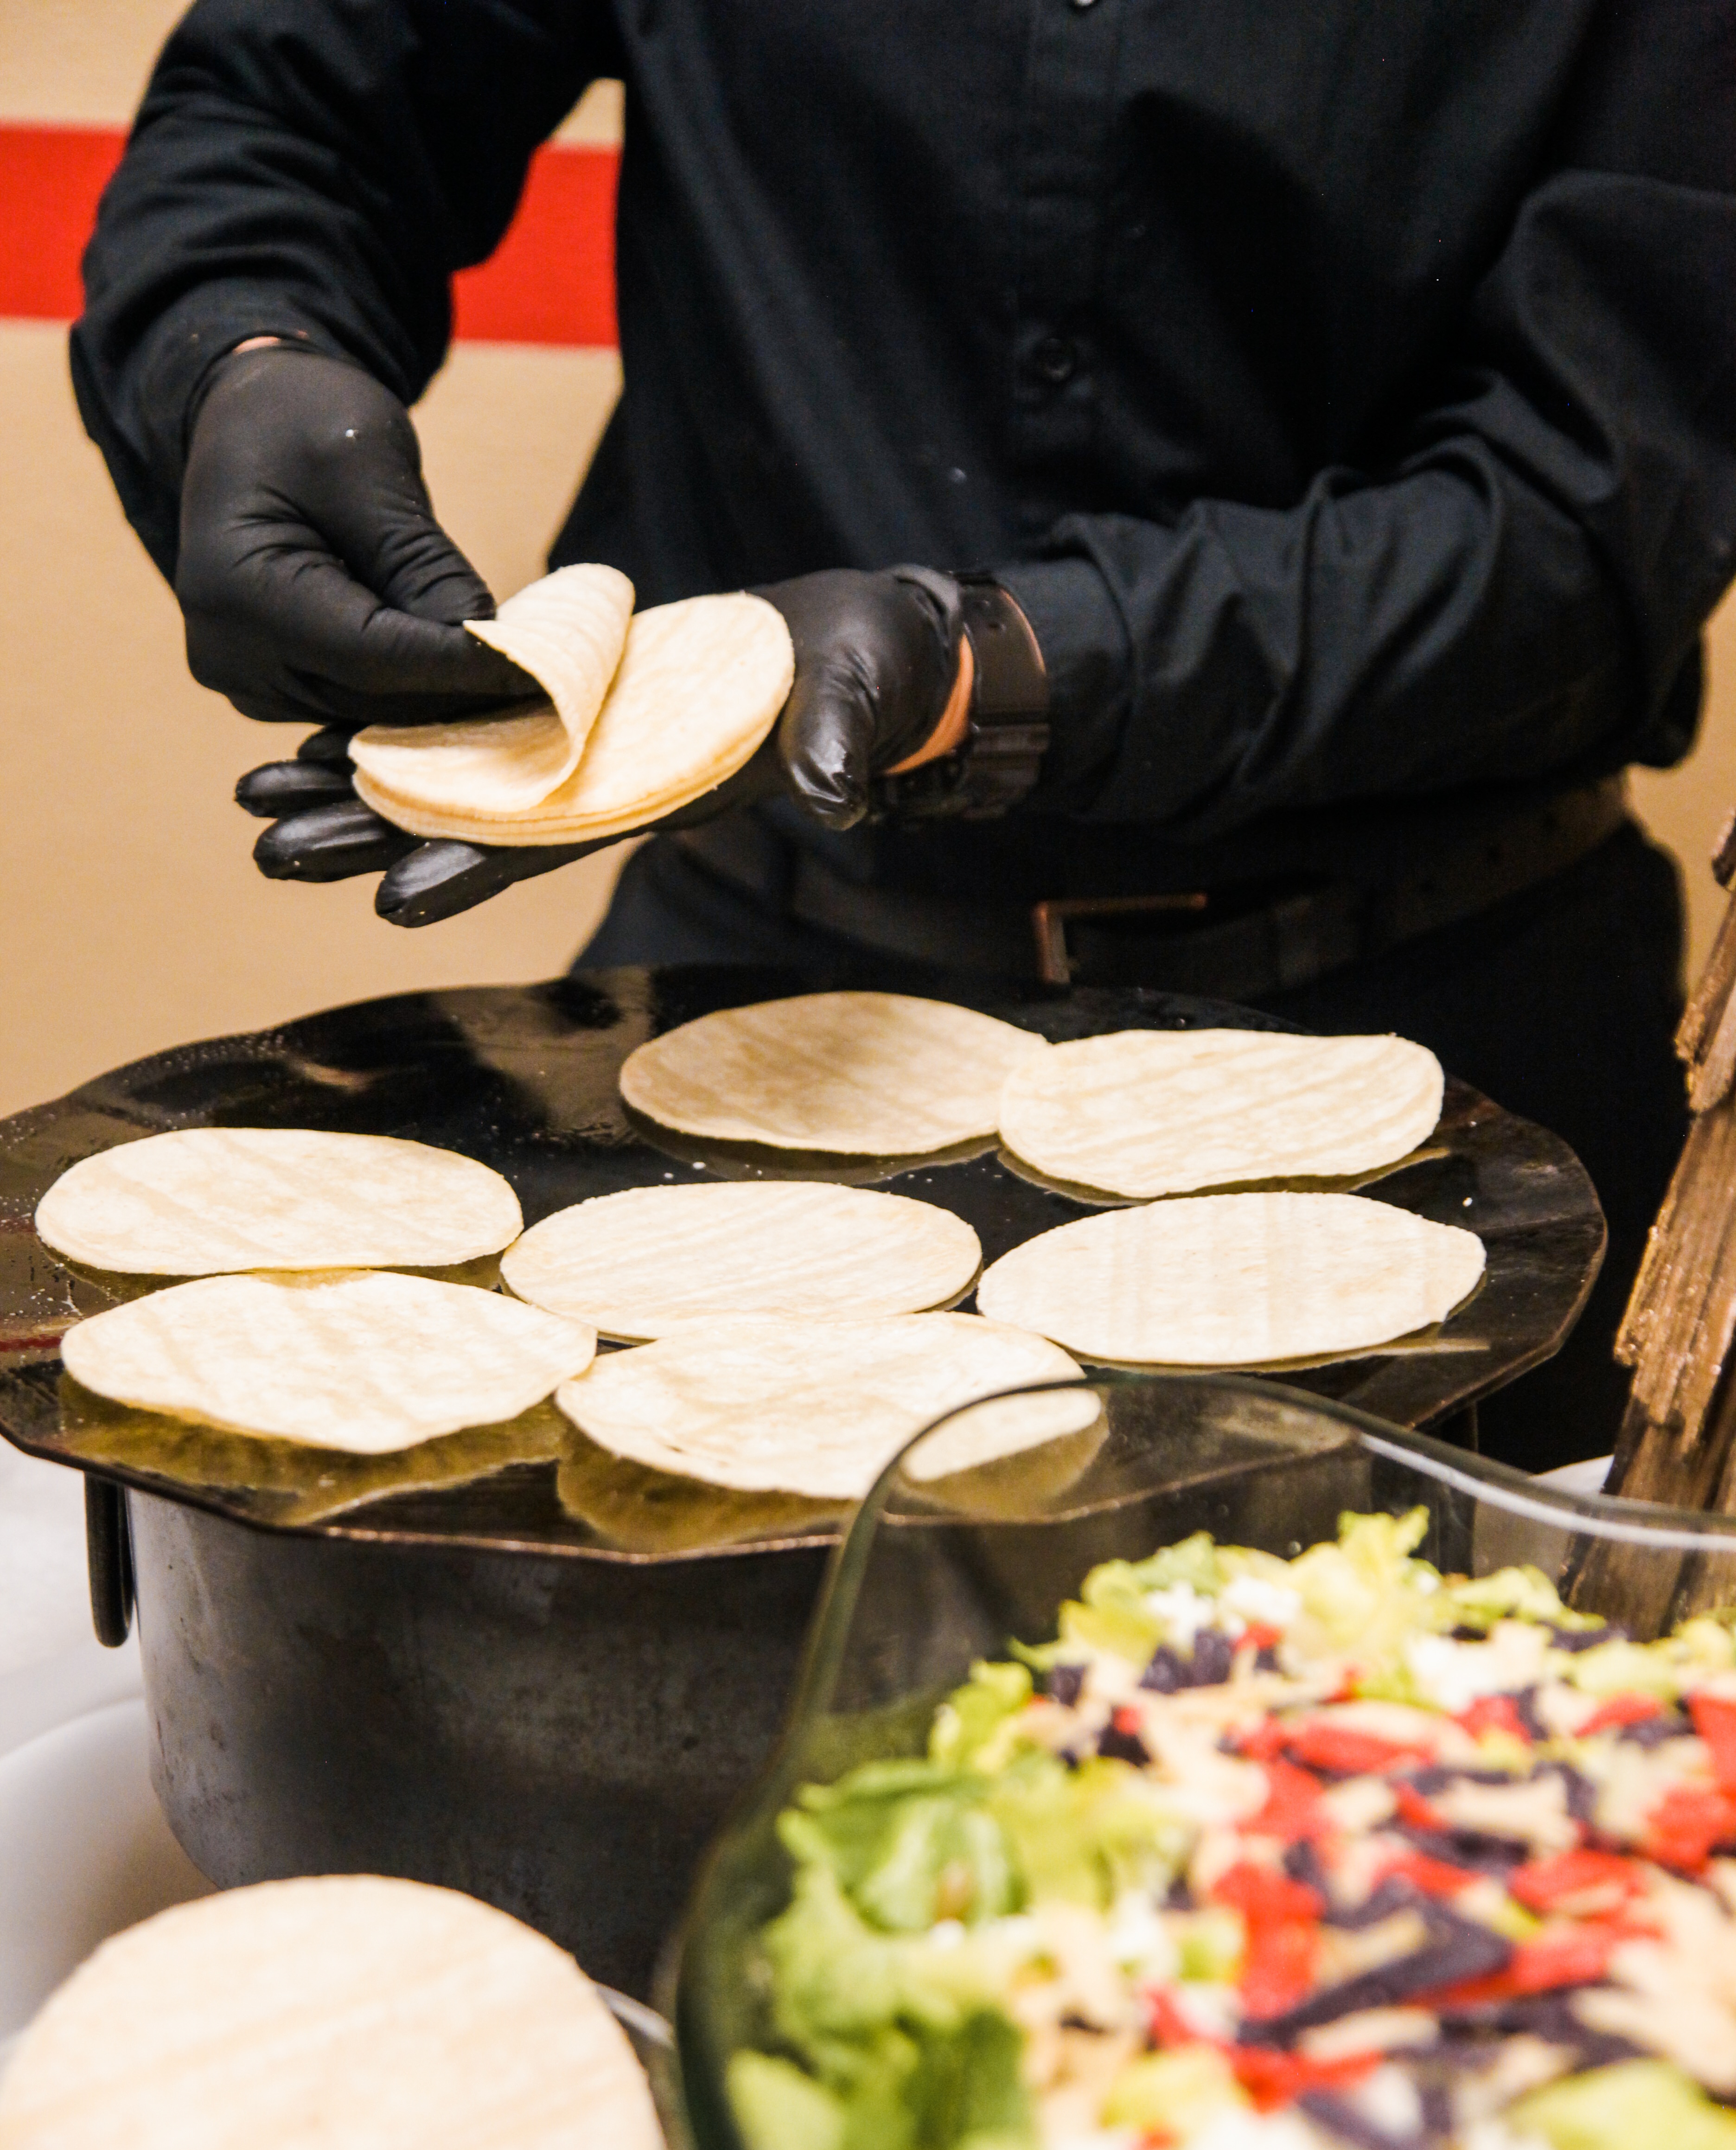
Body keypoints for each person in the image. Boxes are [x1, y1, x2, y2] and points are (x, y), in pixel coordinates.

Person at [73, 0, 1736, 1467]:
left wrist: (987, 667)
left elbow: (1593, 511)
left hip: (1442, 1052)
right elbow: (294, 103)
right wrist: (240, 359)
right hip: (740, 1002)